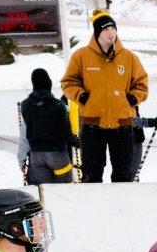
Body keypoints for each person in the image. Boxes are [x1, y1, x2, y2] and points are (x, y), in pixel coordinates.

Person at [60, 9, 150, 183]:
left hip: (123, 125)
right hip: (92, 125)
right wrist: (82, 96)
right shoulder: (81, 56)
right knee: (92, 175)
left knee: (123, 175)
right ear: (97, 33)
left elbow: (142, 84)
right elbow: (68, 82)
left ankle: (121, 207)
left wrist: (132, 98)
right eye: (106, 29)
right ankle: (94, 207)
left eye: (113, 29)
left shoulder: (129, 58)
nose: (111, 33)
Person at [18, 67, 78, 185]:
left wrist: (22, 159)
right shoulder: (59, 105)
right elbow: (65, 133)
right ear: (49, 83)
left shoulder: (26, 106)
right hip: (58, 155)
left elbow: (24, 136)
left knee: (42, 192)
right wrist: (79, 143)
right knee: (64, 192)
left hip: (36, 156)